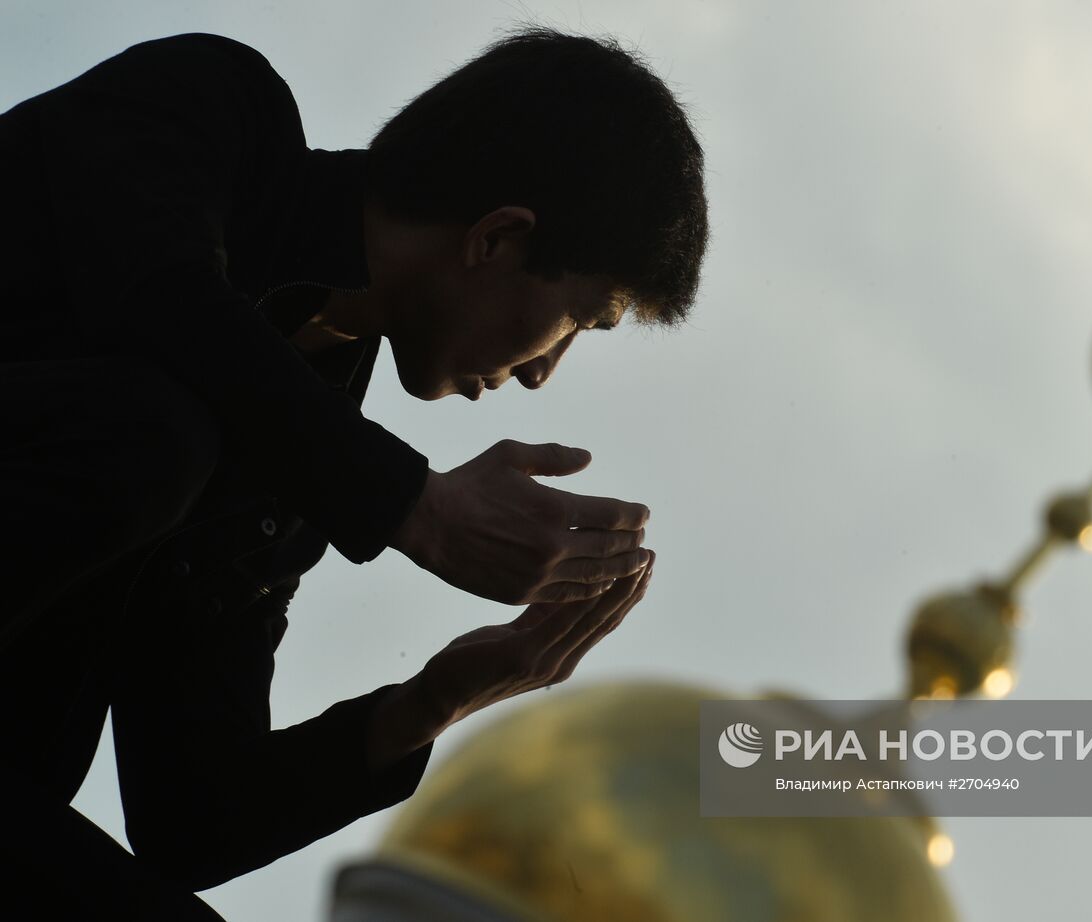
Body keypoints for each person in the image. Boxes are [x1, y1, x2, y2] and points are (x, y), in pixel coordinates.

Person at [0, 25, 708, 920]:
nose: (542, 371)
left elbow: (193, 820)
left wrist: (440, 696)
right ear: (498, 239)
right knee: (155, 433)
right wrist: (420, 509)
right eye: (580, 320)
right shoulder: (209, 108)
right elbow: (154, 298)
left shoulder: (304, 458)